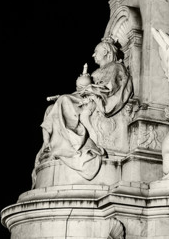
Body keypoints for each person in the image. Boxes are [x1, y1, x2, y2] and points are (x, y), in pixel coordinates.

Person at [36, 37, 133, 181]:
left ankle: (74, 144)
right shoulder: (101, 70)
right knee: (51, 109)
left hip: (94, 100)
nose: (93, 55)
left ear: (105, 51)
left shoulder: (115, 67)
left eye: (96, 52)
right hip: (85, 97)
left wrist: (90, 89)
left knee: (64, 101)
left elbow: (111, 89)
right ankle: (49, 146)